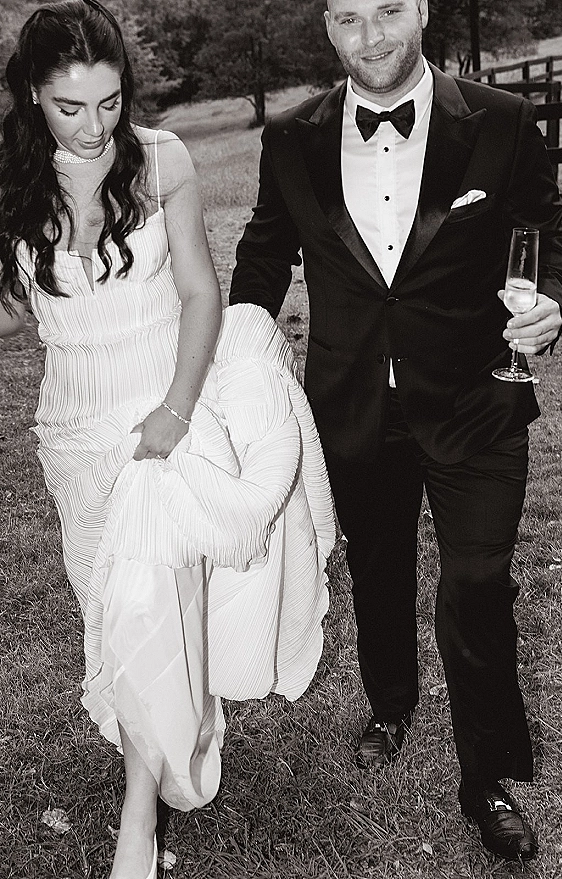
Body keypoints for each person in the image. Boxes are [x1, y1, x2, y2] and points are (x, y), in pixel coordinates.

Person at [230, 0, 562, 862]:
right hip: (353, 405)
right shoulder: (292, 139)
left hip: (477, 399)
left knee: (477, 582)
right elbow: (266, 252)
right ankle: (390, 702)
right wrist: (230, 353)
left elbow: (546, 236)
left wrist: (551, 306)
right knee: (379, 568)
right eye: (348, 18)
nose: (372, 36)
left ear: (421, 9)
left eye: (389, 9)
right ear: (327, 27)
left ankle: (486, 773)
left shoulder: (501, 122)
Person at [0, 2, 335, 878]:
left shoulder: (163, 160)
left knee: (151, 591)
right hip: (75, 424)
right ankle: (168, 727)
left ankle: (136, 824)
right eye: (69, 107)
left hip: (163, 399)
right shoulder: (9, 180)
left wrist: (179, 410)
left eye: (108, 103)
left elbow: (199, 293)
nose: (92, 125)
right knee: (110, 610)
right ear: (31, 96)